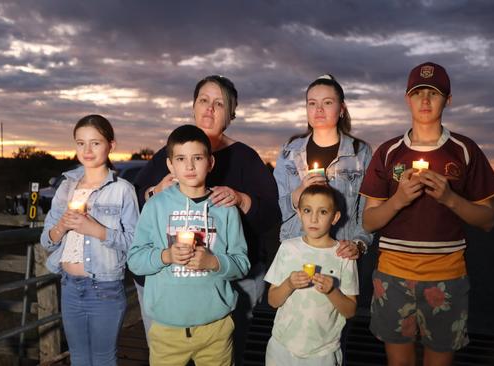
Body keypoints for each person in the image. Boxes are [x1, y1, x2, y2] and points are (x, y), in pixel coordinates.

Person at [360, 62, 494, 366]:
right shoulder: (388, 152)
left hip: (446, 277)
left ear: (447, 100)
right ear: (406, 99)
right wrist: (398, 199)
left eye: (434, 93)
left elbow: (487, 220)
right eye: (417, 93)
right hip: (393, 275)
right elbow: (369, 221)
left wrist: (449, 198)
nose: (425, 100)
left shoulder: (464, 150)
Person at [132, 75, 280, 362]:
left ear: (230, 113)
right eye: (204, 100)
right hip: (168, 288)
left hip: (225, 284)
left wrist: (241, 200)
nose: (210, 109)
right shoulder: (170, 150)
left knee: (227, 349)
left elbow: (272, 213)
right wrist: (155, 191)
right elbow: (138, 199)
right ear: (193, 106)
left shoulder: (245, 157)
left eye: (219, 103)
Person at [127, 125, 250, 366]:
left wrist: (214, 262)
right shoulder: (155, 205)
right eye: (181, 159)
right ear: (170, 165)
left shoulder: (225, 208)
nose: (190, 166)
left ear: (211, 162)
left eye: (198, 158)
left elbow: (242, 263)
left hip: (216, 328)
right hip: (166, 330)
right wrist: (165, 256)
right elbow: (135, 260)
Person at [39, 114, 139, 366]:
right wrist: (62, 225)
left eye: (95, 142)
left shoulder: (123, 190)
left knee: (104, 359)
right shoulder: (65, 186)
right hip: (69, 287)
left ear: (111, 145)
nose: (87, 149)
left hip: (104, 288)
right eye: (80, 142)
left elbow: (133, 244)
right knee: (80, 359)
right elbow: (47, 240)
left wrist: (94, 228)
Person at [273, 73, 373, 262]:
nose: (318, 109)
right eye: (312, 103)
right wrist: (299, 193)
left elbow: (367, 211)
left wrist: (359, 243)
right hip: (295, 251)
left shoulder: (360, 152)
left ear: (341, 108)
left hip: (340, 253)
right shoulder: (290, 151)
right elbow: (274, 208)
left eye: (327, 102)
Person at [265, 184, 358, 366]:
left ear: (335, 217)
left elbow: (350, 311)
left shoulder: (343, 255)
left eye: (322, 212)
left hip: (322, 352)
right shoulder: (288, 248)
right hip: (281, 348)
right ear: (299, 213)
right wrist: (289, 285)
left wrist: (332, 291)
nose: (313, 218)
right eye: (307, 210)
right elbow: (273, 301)